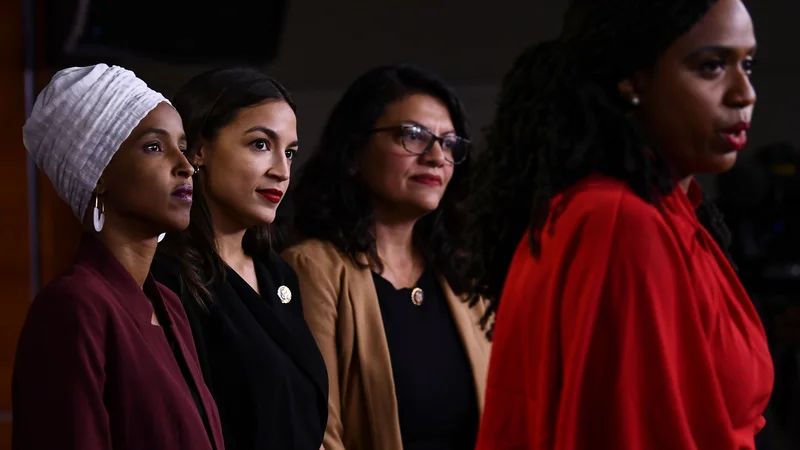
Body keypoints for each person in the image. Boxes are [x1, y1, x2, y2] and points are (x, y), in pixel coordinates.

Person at [464, 1, 774, 449]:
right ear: (633, 80)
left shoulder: (664, 212)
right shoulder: (621, 224)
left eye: (747, 64)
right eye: (711, 66)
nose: (745, 93)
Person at [12, 64, 224, 450]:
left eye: (181, 145)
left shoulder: (170, 305)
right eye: (154, 147)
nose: (186, 165)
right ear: (97, 173)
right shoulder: (74, 308)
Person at [282, 64, 490, 450]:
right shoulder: (312, 268)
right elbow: (318, 434)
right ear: (353, 154)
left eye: (448, 143)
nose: (436, 157)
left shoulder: (463, 278)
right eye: (412, 136)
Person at [150, 67, 328, 450]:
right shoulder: (165, 277)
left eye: (290, 152)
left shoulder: (279, 274)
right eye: (261, 144)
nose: (282, 171)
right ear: (198, 150)